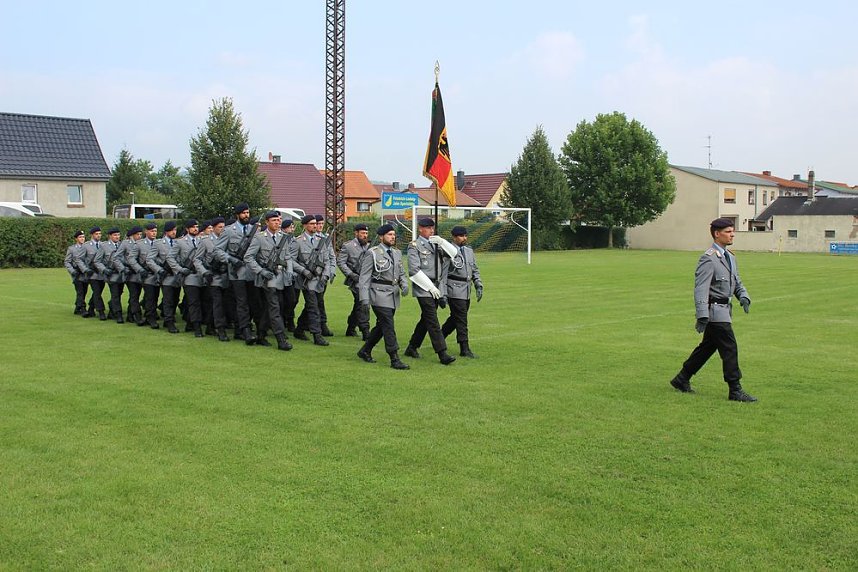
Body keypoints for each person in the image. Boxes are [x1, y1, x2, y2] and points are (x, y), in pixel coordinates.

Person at [670, 218, 757, 402]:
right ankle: (735, 389)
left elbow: (736, 281)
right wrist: (702, 315)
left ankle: (682, 378)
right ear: (717, 234)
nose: (732, 234)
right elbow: (700, 288)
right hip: (715, 313)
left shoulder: (730, 257)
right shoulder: (708, 258)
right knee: (729, 348)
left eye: (733, 231)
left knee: (707, 347)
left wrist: (743, 295)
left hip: (725, 310)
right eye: (728, 231)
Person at [357, 224, 410, 370]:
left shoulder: (397, 253)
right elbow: (364, 277)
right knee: (388, 325)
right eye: (389, 235)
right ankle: (394, 357)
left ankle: (365, 350)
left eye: (393, 234)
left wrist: (404, 285)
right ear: (381, 237)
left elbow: (401, 273)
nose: (392, 237)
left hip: (392, 295)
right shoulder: (372, 253)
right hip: (378, 294)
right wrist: (364, 299)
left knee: (381, 326)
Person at [404, 218, 456, 365]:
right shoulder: (414, 246)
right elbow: (414, 270)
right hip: (423, 286)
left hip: (437, 285)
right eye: (428, 228)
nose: (431, 231)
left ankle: (412, 346)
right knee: (432, 319)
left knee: (426, 319)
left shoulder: (436, 243)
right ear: (420, 229)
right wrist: (430, 287)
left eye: (432, 228)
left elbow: (454, 254)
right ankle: (442, 353)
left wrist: (442, 242)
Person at [244, 210, 294, 351]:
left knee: (271, 307)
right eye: (274, 220)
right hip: (267, 278)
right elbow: (248, 257)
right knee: (274, 307)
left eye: (278, 220)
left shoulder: (283, 237)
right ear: (267, 222)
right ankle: (281, 338)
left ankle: (261, 334)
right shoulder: (260, 238)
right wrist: (261, 271)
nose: (277, 223)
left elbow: (288, 256)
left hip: (281, 277)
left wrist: (289, 271)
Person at [219, 203, 260, 344]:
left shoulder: (254, 230)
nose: (246, 215)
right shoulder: (229, 230)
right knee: (242, 303)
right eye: (243, 213)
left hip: (252, 272)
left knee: (254, 303)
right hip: (237, 273)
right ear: (237, 215)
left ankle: (243, 329)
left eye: (248, 212)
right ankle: (245, 331)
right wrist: (231, 260)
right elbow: (218, 251)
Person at [440, 226, 484, 358]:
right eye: (461, 236)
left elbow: (474, 269)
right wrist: (443, 293)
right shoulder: (448, 251)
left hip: (466, 290)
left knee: (455, 318)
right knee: (461, 319)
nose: (464, 238)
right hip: (454, 289)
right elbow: (443, 274)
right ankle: (464, 348)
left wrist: (478, 284)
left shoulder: (469, 251)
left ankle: (439, 337)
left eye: (465, 235)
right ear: (454, 237)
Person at [292, 214, 331, 346]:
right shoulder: (297, 241)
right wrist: (303, 271)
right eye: (311, 224)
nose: (315, 226)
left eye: (315, 223)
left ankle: (299, 329)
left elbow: (326, 259)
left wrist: (326, 275)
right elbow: (291, 260)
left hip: (319, 279)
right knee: (313, 306)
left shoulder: (321, 240)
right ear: (304, 225)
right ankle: (317, 334)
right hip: (305, 280)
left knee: (312, 305)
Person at [194, 217, 231, 341]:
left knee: (225, 303)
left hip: (227, 276)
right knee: (217, 303)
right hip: (213, 277)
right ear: (213, 227)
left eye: (223, 227)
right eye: (220, 227)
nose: (222, 229)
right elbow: (197, 259)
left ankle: (210, 325)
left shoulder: (228, 240)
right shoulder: (206, 241)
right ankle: (220, 329)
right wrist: (204, 272)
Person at [146, 220, 183, 333]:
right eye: (172, 230)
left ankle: (169, 317)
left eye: (175, 230)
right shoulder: (158, 243)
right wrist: (159, 270)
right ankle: (169, 321)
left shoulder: (179, 243)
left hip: (176, 276)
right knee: (168, 300)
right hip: (166, 276)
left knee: (176, 299)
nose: (174, 232)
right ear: (166, 231)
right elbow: (149, 259)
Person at [337, 222, 371, 339]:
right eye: (362, 233)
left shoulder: (369, 247)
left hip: (368, 280)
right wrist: (351, 274)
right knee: (363, 304)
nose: (365, 235)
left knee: (359, 305)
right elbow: (341, 262)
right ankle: (365, 330)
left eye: (366, 233)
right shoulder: (348, 246)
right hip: (355, 280)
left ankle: (351, 327)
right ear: (356, 233)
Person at [313, 214, 336, 337]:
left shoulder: (326, 237)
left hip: (324, 274)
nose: (320, 226)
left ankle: (303, 325)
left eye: (322, 224)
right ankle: (322, 324)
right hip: (313, 275)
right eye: (318, 224)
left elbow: (331, 256)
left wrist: (331, 271)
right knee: (317, 301)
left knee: (316, 301)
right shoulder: (310, 238)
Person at [119, 226, 145, 325]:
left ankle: (130, 315)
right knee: (134, 295)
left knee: (136, 295)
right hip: (130, 274)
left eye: (140, 234)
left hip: (140, 273)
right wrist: (124, 268)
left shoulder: (142, 243)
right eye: (137, 234)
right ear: (132, 235)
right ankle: (137, 316)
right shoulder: (126, 243)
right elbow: (117, 257)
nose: (139, 236)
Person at [138, 223, 161, 329]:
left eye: (155, 231)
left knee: (155, 296)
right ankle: (150, 317)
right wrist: (140, 269)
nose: (154, 233)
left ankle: (150, 315)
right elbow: (131, 258)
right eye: (152, 231)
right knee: (150, 297)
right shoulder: (139, 244)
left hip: (158, 274)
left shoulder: (160, 243)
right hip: (147, 275)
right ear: (146, 232)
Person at [279, 217, 300, 332]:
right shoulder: (279, 239)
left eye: (292, 227)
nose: (292, 229)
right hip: (280, 273)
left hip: (291, 274)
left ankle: (289, 320)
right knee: (281, 301)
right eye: (290, 227)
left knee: (293, 300)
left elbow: (293, 258)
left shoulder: (295, 241)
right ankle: (282, 322)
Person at [81, 226, 107, 320]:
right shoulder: (86, 245)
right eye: (96, 234)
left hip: (101, 273)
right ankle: (101, 311)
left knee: (98, 291)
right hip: (92, 273)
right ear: (92, 235)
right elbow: (80, 260)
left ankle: (91, 308)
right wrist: (86, 269)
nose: (99, 235)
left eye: (100, 234)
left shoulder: (104, 245)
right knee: (96, 292)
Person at [103, 227, 126, 323]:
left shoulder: (122, 245)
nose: (117, 237)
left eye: (118, 235)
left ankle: (112, 309)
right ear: (110, 236)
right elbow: (97, 261)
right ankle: (118, 314)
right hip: (112, 274)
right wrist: (105, 269)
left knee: (119, 293)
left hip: (121, 274)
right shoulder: (104, 246)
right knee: (115, 294)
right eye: (115, 235)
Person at [63, 230, 88, 315]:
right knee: (80, 291)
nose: (82, 239)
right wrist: (72, 271)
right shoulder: (72, 249)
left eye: (83, 237)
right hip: (77, 274)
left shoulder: (87, 247)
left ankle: (78, 307)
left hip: (85, 273)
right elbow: (67, 261)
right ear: (76, 239)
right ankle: (83, 309)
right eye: (80, 237)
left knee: (84, 291)